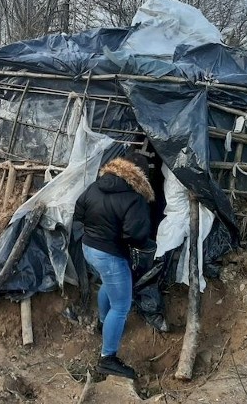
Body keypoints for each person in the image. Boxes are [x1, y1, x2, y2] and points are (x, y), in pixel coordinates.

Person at [73, 152, 155, 379]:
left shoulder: (96, 186)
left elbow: (79, 212)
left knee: (108, 286)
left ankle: (102, 323)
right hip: (110, 255)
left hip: (89, 248)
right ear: (140, 176)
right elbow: (136, 236)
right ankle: (107, 359)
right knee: (121, 306)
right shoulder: (134, 198)